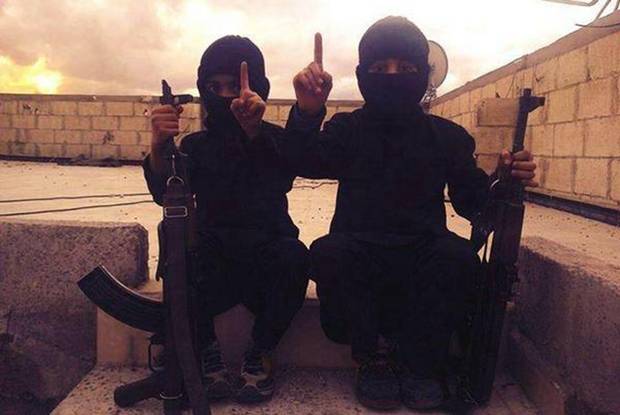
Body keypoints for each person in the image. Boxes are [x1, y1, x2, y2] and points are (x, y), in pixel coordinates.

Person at [283, 17, 538, 410]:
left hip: (422, 254)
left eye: (405, 67)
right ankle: (372, 356)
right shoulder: (346, 129)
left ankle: (421, 363)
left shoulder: (447, 137)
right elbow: (302, 159)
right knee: (327, 253)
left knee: (458, 258)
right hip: (359, 253)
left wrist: (504, 181)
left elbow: (474, 202)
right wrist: (307, 111)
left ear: (424, 74)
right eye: (379, 67)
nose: (392, 76)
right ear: (362, 75)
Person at [143, 35, 309, 404]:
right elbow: (165, 193)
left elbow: (279, 178)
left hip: (267, 256)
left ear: (257, 89)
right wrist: (157, 146)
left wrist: (252, 133)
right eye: (214, 87)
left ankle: (260, 352)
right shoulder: (196, 146)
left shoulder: (276, 139)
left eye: (234, 86)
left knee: (295, 257)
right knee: (177, 246)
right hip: (213, 261)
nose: (224, 96)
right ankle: (205, 352)